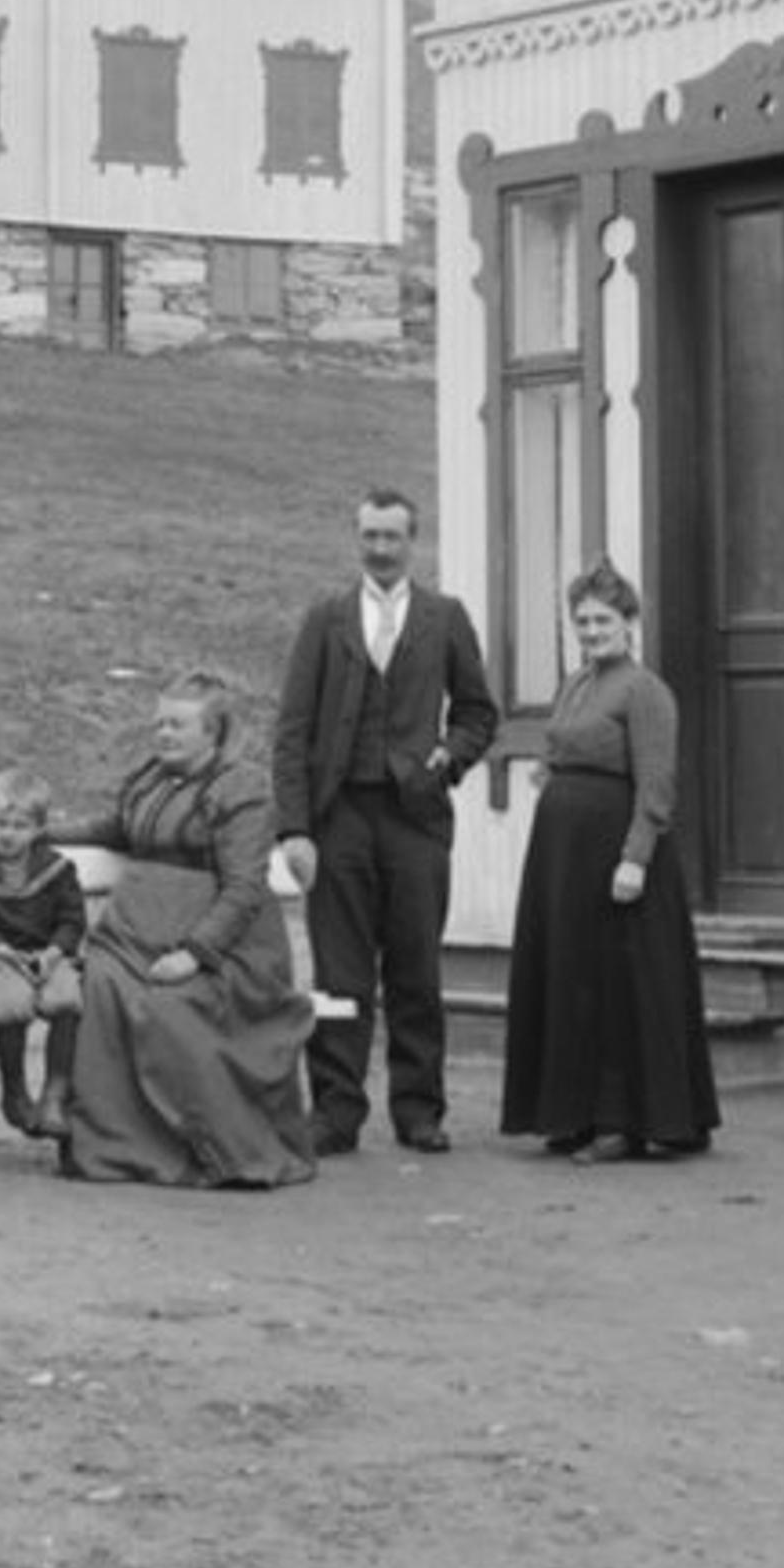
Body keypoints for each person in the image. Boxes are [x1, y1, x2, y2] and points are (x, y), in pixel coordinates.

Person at [272, 488, 497, 1156]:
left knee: (415, 967)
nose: (380, 548)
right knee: (340, 972)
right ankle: (337, 1110)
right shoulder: (326, 619)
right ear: (356, 538)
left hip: (415, 818)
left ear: (412, 540)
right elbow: (292, 732)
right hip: (339, 815)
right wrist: (295, 828)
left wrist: (448, 756)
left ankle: (419, 1108)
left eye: (392, 536)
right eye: (369, 535)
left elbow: (479, 715)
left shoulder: (444, 618)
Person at [53, 671, 314, 1189]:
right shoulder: (152, 779)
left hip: (224, 947)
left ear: (212, 732)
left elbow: (242, 890)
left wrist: (195, 955)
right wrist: (39, 830)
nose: (164, 735)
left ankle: (207, 1148)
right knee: (98, 987)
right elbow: (115, 829)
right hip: (133, 933)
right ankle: (115, 1148)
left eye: (177, 725)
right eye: (159, 724)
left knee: (168, 1006)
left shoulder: (240, 790)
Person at [499, 562, 721, 1165]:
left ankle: (622, 1121)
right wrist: (551, 772)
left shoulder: (645, 690)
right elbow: (561, 743)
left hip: (615, 857)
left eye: (603, 620)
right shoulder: (575, 684)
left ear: (629, 623)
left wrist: (635, 859)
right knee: (568, 978)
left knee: (614, 988)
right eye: (582, 621)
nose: (592, 631)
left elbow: (657, 782)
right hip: (563, 860)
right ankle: (568, 1113)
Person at [0, 768, 89, 1141]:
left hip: (49, 955)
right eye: (0, 823)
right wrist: (2, 950)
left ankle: (56, 1091)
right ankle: (14, 1090)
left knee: (67, 999)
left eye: (20, 825)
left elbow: (73, 919)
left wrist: (55, 952)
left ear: (39, 828)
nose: (8, 833)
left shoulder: (57, 869)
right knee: (10, 1003)